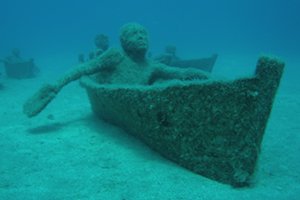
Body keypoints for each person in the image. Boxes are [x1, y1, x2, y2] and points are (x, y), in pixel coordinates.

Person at [94, 23, 210, 85]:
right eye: (134, 33)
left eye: (143, 33)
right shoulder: (115, 56)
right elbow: (88, 67)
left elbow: (181, 72)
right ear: (123, 40)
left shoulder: (152, 66)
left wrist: (207, 76)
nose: (141, 37)